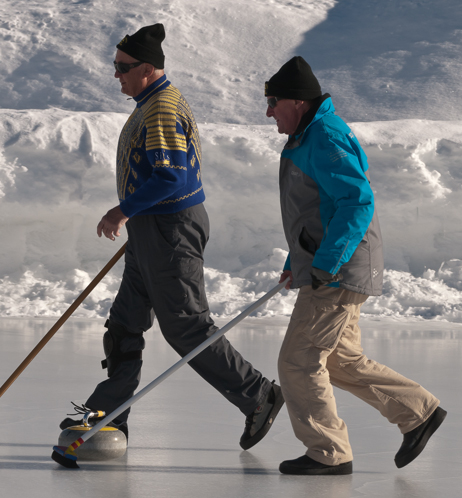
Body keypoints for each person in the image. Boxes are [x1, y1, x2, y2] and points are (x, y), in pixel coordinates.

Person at [59, 23, 284, 451]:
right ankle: (109, 413)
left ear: (147, 68)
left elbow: (170, 176)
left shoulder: (161, 108)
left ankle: (259, 395)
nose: (115, 75)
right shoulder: (150, 102)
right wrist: (137, 221)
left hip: (169, 229)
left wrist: (122, 210)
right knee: (124, 324)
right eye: (114, 65)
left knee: (186, 328)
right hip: (153, 229)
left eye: (122, 67)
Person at [265, 56, 446, 475]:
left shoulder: (324, 136)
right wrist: (299, 259)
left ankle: (327, 452)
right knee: (338, 360)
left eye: (273, 101)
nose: (269, 110)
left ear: (297, 101)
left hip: (338, 269)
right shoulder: (307, 135)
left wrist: (325, 263)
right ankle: (418, 412)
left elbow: (356, 201)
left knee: (299, 360)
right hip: (332, 264)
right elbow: (315, 209)